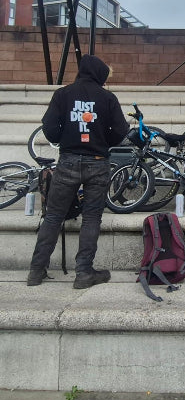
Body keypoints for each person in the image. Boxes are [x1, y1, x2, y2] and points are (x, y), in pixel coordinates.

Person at [27, 54, 129, 290]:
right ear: (100, 74)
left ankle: (35, 271)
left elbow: (49, 128)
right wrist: (104, 140)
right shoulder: (107, 97)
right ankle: (83, 272)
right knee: (92, 217)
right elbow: (121, 130)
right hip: (97, 162)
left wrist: (64, 137)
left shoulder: (63, 94)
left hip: (68, 161)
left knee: (53, 216)